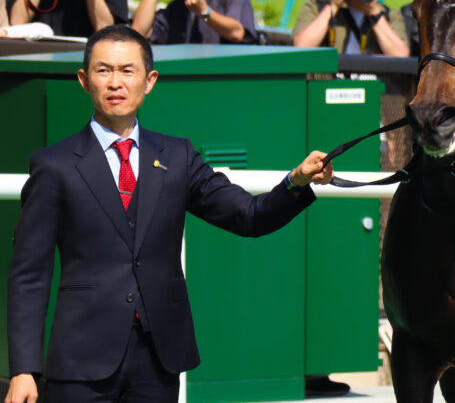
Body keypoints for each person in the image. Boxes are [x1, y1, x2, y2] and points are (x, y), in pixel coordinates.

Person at [5, 25, 335, 403]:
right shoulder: (55, 165)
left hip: (159, 360)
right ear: (84, 80)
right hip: (80, 362)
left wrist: (295, 182)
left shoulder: (178, 157)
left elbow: (248, 215)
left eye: (127, 70)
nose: (116, 82)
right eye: (103, 70)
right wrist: (23, 369)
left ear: (149, 81)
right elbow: (29, 276)